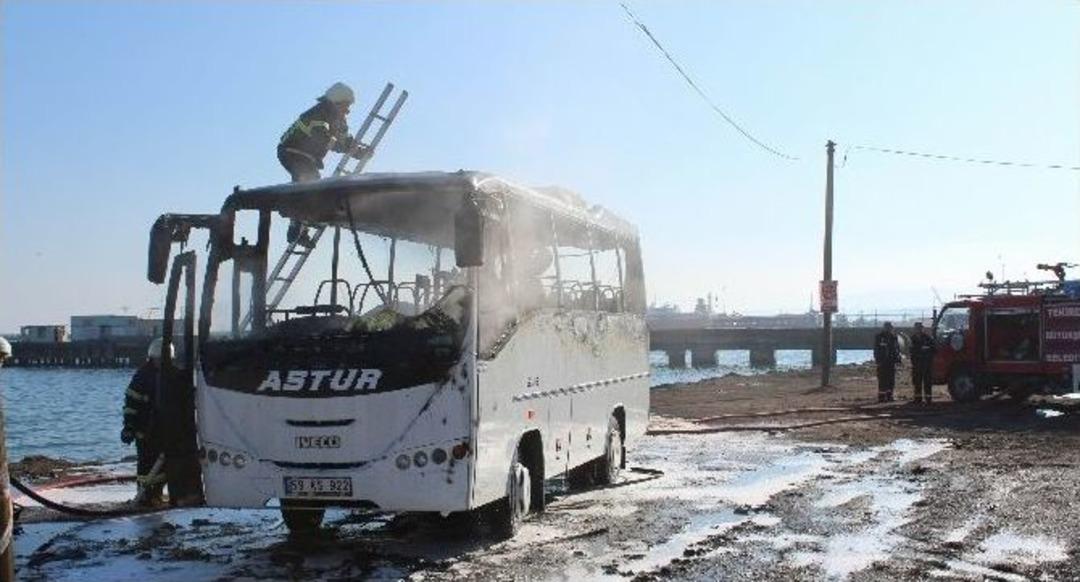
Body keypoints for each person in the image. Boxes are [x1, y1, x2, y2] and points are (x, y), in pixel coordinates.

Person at [278, 82, 365, 246]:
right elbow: (323, 140)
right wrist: (346, 149)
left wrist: (359, 152)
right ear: (336, 102)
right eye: (346, 105)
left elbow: (345, 140)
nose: (348, 110)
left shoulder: (339, 119)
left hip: (308, 157)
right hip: (292, 151)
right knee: (307, 183)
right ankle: (296, 228)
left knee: (311, 184)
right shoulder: (318, 113)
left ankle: (302, 225)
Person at [121, 338, 172, 507]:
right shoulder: (142, 377)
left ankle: (155, 495)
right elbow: (131, 405)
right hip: (145, 431)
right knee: (146, 466)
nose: (163, 363)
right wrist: (129, 427)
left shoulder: (170, 375)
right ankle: (145, 496)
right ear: (153, 358)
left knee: (164, 466)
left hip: (163, 431)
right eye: (161, 359)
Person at [909, 322, 937, 404]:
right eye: (917, 328)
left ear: (922, 329)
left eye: (920, 328)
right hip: (917, 364)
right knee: (917, 381)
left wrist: (927, 351)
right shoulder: (913, 339)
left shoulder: (928, 338)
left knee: (927, 381)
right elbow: (911, 351)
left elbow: (934, 349)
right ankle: (918, 398)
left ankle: (928, 399)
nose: (918, 330)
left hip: (926, 364)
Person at [873, 322, 901, 402]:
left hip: (891, 361)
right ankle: (881, 397)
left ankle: (889, 396)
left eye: (890, 327)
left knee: (891, 379)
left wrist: (898, 359)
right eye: (887, 327)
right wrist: (877, 360)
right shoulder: (879, 337)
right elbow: (876, 349)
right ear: (884, 328)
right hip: (882, 361)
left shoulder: (893, 337)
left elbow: (896, 349)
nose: (889, 329)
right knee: (882, 379)